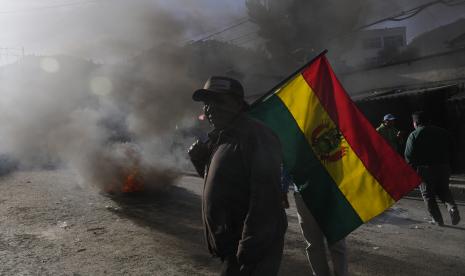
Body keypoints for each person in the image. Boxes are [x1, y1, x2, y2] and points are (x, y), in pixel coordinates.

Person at [188, 76, 288, 276]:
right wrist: (200, 161)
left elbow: (266, 198)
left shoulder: (256, 135)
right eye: (207, 103)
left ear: (237, 104)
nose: (210, 108)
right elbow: (226, 184)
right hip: (232, 247)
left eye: (219, 101)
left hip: (251, 250)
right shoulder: (223, 137)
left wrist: (249, 249)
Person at [281, 170, 348, 276]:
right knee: (314, 244)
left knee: (337, 241)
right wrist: (283, 188)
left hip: (330, 190)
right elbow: (289, 157)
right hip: (303, 192)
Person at [404, 111, 461, 226]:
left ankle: (437, 219)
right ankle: (452, 208)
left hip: (425, 169)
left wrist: (412, 170)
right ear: (429, 121)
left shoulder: (414, 135)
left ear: (415, 123)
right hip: (444, 167)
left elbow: (409, 155)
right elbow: (453, 150)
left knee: (428, 195)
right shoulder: (444, 132)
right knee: (443, 190)